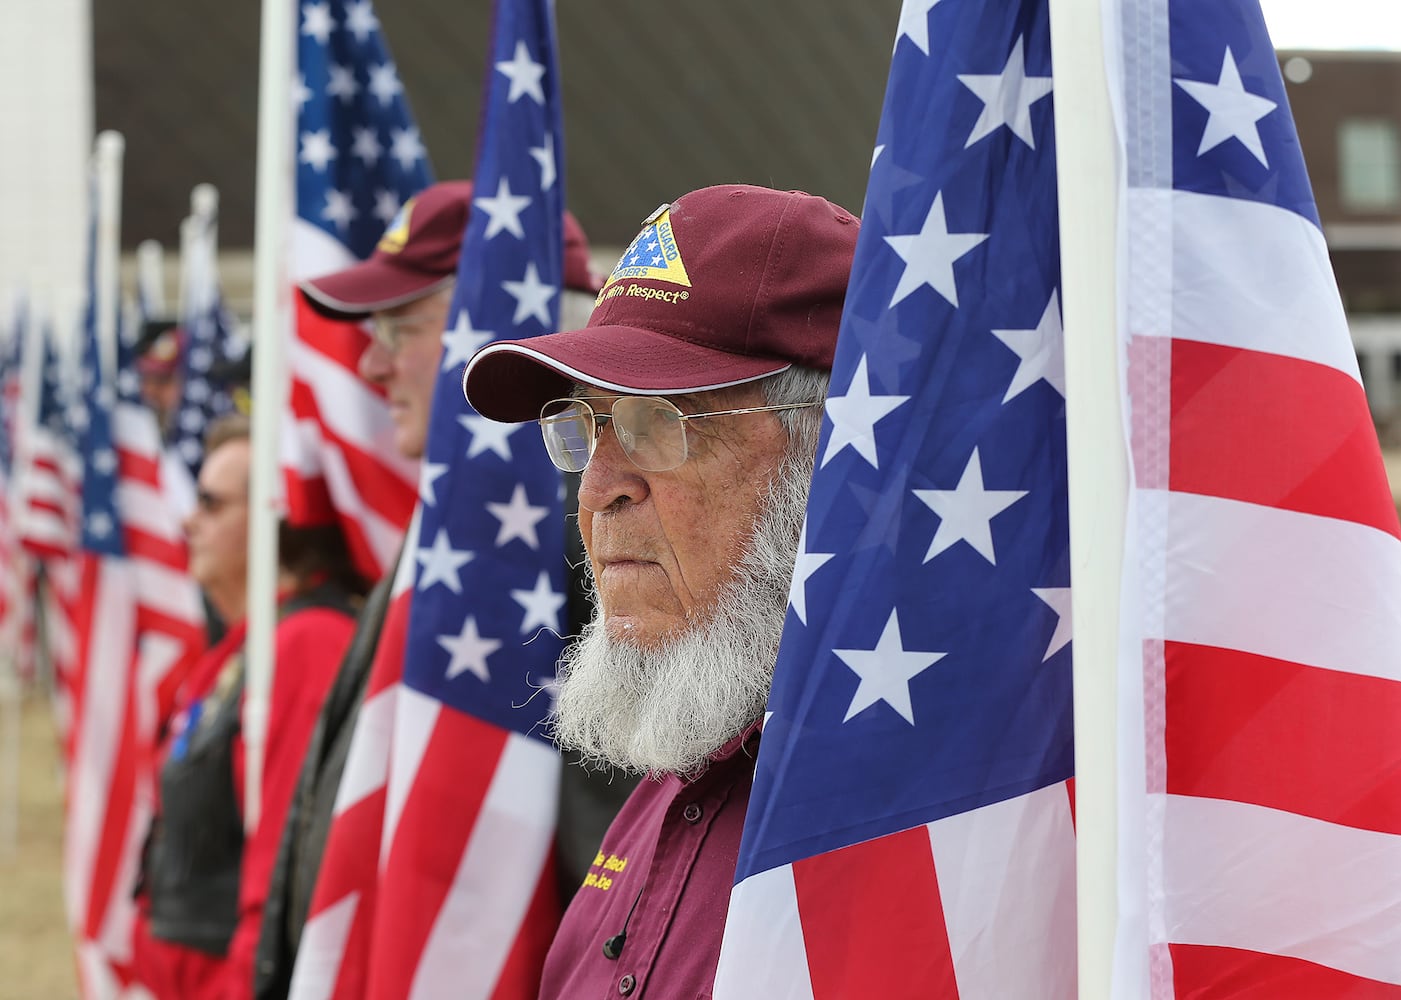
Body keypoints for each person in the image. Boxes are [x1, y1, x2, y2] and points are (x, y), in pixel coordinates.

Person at [460, 183, 857, 999]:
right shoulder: (672, 776)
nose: (597, 486)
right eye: (584, 426)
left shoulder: (914, 824)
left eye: (656, 420)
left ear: (825, 453)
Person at [253, 179, 620, 997]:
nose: (371, 362)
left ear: (493, 327)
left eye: (398, 327)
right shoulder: (456, 526)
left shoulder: (578, 532)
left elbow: (606, 853)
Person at [131, 414, 366, 1000]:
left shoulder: (308, 644)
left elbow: (280, 866)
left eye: (211, 503)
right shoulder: (243, 647)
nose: (189, 519)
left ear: (273, 515)